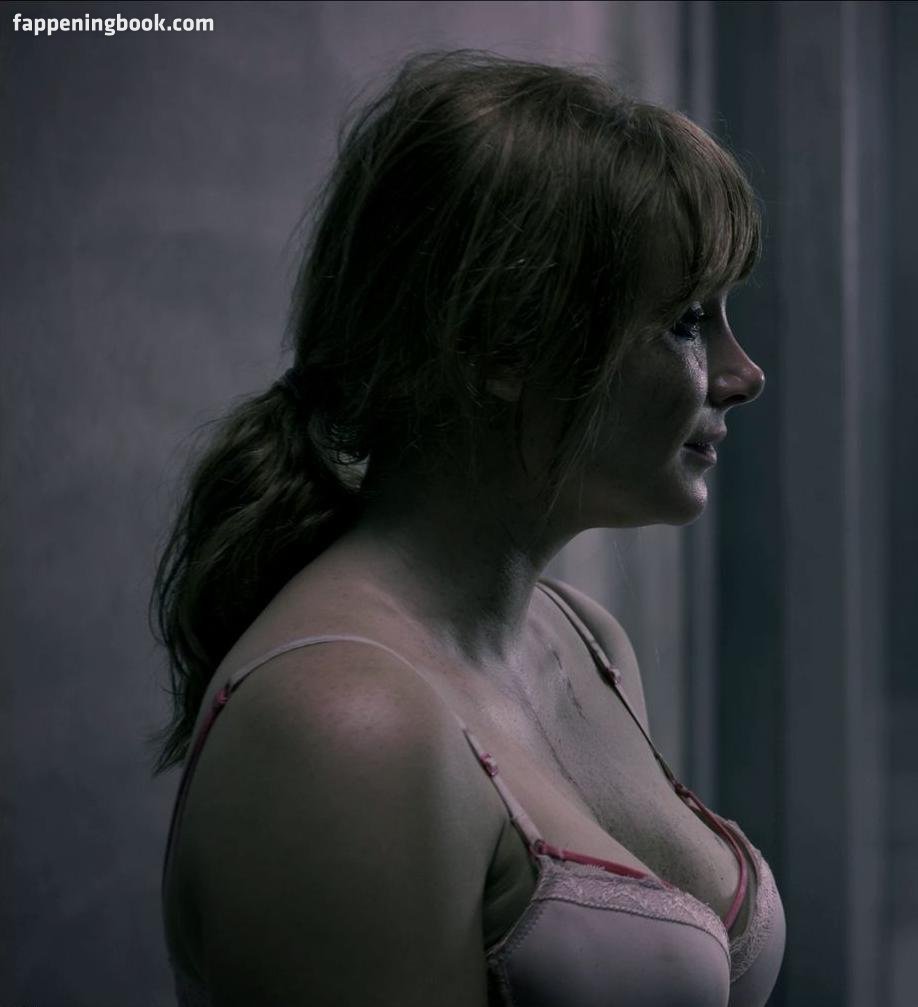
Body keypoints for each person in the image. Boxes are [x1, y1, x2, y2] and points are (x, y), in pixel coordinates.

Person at [153, 52, 782, 1005]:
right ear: (503, 346)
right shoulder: (342, 730)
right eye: (690, 321)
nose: (743, 375)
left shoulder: (580, 639)